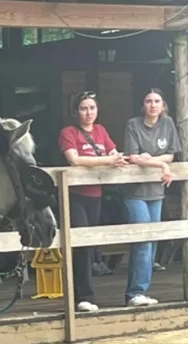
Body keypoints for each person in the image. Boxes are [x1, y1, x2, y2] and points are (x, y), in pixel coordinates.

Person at [58, 91, 128, 312]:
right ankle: (83, 296)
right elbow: (75, 160)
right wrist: (107, 160)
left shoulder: (101, 131)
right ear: (75, 111)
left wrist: (119, 159)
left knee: (90, 244)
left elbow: (115, 153)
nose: (88, 113)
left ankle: (86, 295)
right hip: (75, 195)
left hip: (96, 195)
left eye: (92, 108)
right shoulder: (68, 132)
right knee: (81, 245)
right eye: (83, 108)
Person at [121, 88, 180, 307]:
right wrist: (161, 163)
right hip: (135, 191)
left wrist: (154, 160)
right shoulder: (133, 124)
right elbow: (133, 157)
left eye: (156, 101)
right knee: (142, 239)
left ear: (163, 105)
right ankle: (135, 292)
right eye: (148, 101)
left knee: (152, 240)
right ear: (142, 105)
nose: (152, 105)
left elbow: (171, 154)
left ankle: (141, 291)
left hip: (157, 191)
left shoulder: (168, 124)